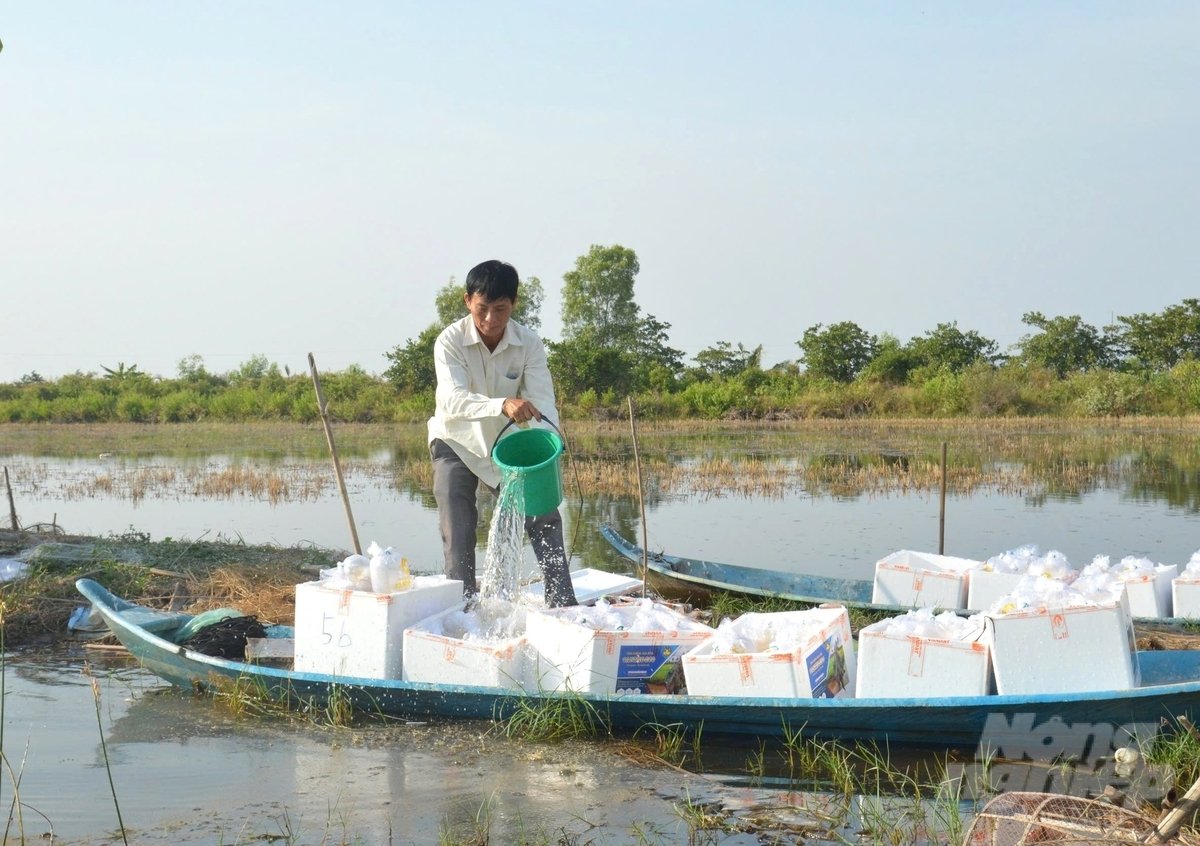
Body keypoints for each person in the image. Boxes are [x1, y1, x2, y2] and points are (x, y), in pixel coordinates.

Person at [427, 259, 578, 608]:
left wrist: (550, 444)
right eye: (482, 309)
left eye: (500, 309)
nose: (490, 320)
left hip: (508, 447)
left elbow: (542, 403)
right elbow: (452, 400)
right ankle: (461, 607)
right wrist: (502, 404)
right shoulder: (449, 341)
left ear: (514, 304)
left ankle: (563, 603)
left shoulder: (529, 344)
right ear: (467, 301)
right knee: (457, 523)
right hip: (457, 440)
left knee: (543, 516)